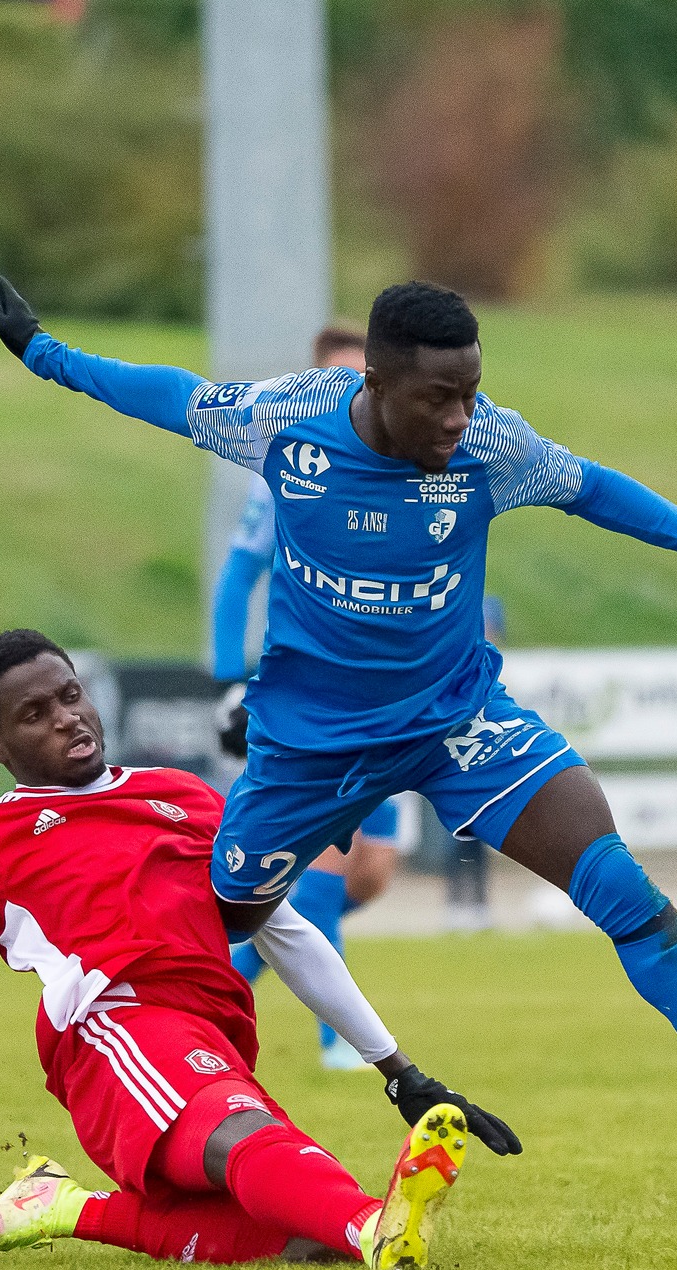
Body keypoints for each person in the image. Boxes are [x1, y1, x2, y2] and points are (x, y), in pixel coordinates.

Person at [0, 267, 677, 1188]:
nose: (458, 419)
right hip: (312, 745)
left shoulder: (491, 445)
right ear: (375, 381)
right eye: (437, 398)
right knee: (212, 933)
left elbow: (593, 488)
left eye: (470, 393)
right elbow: (172, 396)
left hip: (456, 721)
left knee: (620, 884)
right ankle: (168, 1113)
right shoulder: (290, 421)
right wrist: (46, 354)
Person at [0, 630, 518, 1270]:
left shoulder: (185, 798)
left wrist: (401, 1072)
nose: (66, 717)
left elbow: (289, 934)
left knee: (298, 1231)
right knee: (276, 1164)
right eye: (34, 714)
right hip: (115, 1032)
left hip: (212, 1040)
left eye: (70, 695)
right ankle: (378, 1231)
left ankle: (66, 1206)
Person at [215, 324, 409, 1070]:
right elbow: (237, 579)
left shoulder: (413, 471)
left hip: (389, 702)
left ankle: (224, 978)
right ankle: (342, 1046)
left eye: (361, 377)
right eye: (335, 378)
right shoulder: (290, 474)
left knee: (371, 872)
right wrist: (228, 682)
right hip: (312, 698)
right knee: (325, 864)